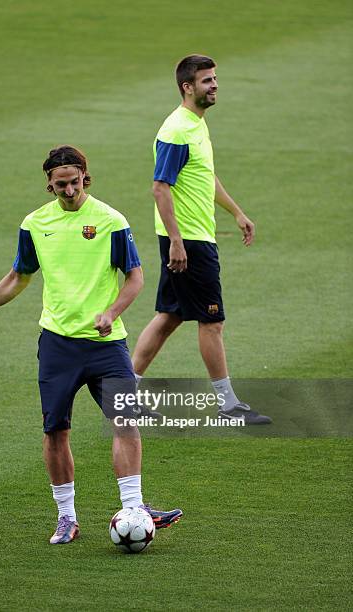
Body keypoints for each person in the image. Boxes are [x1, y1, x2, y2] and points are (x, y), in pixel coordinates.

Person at [0, 145, 182, 544]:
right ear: (49, 185)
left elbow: (136, 277)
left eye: (74, 182)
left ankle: (134, 506)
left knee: (126, 423)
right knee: (55, 430)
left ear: (85, 177)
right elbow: (18, 277)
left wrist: (111, 312)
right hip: (58, 346)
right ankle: (67, 518)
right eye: (60, 185)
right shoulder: (36, 223)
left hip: (107, 347)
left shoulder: (110, 221)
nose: (68, 191)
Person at [132, 55, 271, 425]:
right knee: (212, 322)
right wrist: (177, 241)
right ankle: (227, 404)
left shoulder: (195, 124)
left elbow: (204, 177)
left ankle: (124, 394)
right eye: (207, 80)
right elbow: (160, 188)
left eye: (215, 79)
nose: (214, 85)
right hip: (189, 242)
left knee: (169, 316)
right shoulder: (177, 130)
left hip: (191, 238)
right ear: (187, 87)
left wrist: (236, 212)